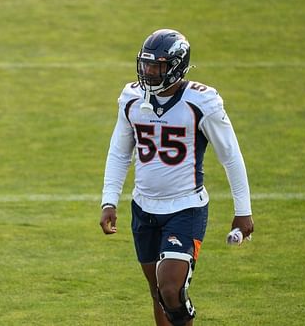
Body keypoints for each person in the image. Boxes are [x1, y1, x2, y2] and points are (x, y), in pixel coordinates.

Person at [99, 29, 254, 326]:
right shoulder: (131, 98)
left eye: (157, 66)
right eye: (145, 65)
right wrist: (109, 201)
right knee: (158, 291)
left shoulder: (202, 102)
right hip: (143, 207)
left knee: (171, 288)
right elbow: (119, 153)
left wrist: (243, 211)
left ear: (177, 66)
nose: (149, 72)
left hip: (185, 207)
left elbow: (230, 156)